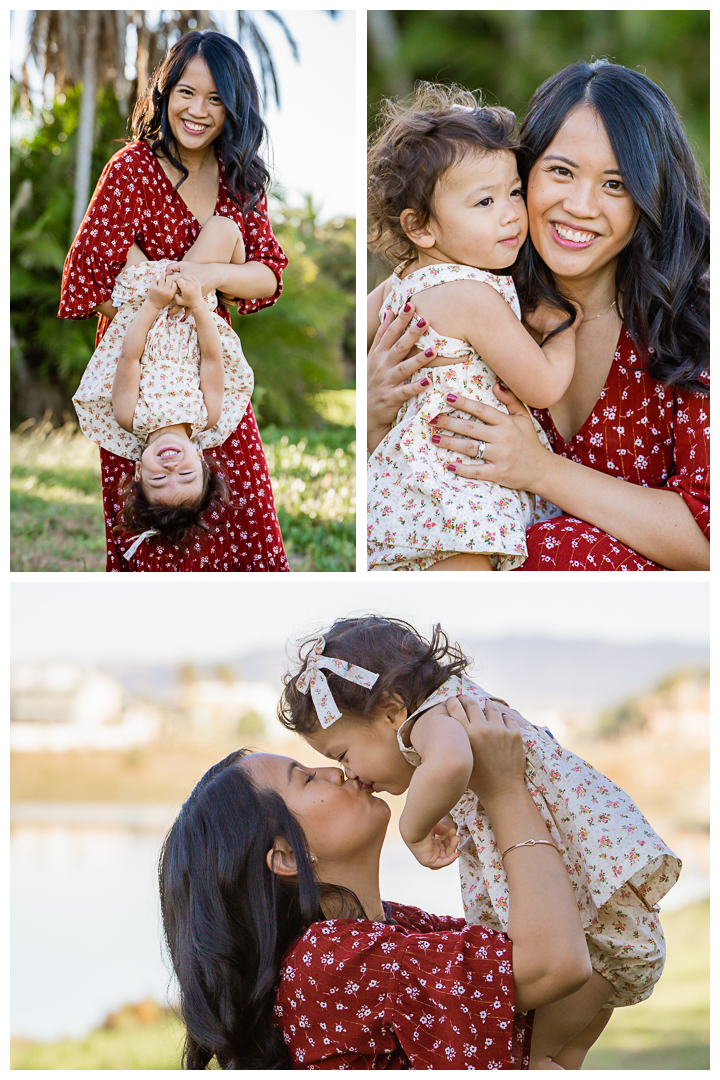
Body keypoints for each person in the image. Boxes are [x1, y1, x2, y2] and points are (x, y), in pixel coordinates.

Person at [279, 616, 680, 1069]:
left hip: (572, 902)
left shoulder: (428, 721)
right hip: (586, 896)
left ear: (392, 711)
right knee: (576, 1034)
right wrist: (452, 811)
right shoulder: (460, 706)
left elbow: (449, 763)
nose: (349, 773)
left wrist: (414, 829)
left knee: (536, 1051)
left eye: (341, 755)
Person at [367, 61, 709, 571]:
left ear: (650, 196)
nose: (581, 205)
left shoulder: (692, 322)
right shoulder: (470, 298)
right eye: (562, 171)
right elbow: (399, 468)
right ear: (524, 170)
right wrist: (372, 414)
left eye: (615, 184)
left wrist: (541, 471)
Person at [160, 700, 595, 1068]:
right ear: (286, 857)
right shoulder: (328, 964)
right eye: (308, 777)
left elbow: (548, 959)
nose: (335, 772)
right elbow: (555, 963)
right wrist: (504, 791)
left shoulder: (392, 927)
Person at [59, 30, 289, 571]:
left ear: (235, 109)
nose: (198, 111)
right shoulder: (131, 169)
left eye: (215, 99)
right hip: (140, 359)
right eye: (187, 92)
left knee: (246, 507)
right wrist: (157, 310)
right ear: (165, 93)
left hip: (207, 359)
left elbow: (268, 277)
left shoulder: (241, 178)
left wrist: (199, 278)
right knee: (152, 514)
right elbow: (91, 278)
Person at [367, 84, 579, 571]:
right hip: (458, 489)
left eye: (515, 192)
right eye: (484, 203)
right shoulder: (470, 296)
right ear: (420, 227)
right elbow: (543, 385)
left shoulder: (402, 280)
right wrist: (563, 324)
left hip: (408, 486)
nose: (511, 214)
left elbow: (364, 335)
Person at [73, 215, 255, 552]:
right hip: (190, 312)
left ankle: (178, 265)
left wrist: (154, 303)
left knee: (107, 237)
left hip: (145, 305)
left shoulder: (129, 417)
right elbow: (213, 359)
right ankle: (222, 286)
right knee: (225, 229)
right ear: (201, 460)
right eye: (186, 475)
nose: (172, 468)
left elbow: (129, 357)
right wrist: (198, 303)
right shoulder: (207, 416)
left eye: (159, 479)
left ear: (140, 471)